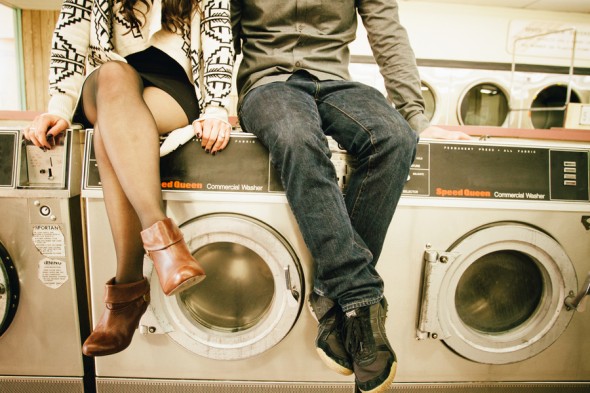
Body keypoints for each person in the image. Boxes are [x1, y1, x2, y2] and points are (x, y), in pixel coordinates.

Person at [231, 1, 470, 392]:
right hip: (267, 84)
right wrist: (209, 105)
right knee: (295, 137)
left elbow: (387, 32)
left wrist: (415, 115)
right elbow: (221, 32)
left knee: (394, 138)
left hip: (334, 81)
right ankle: (360, 300)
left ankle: (329, 294)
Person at [24, 0, 234, 357]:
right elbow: (70, 35)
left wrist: (216, 106)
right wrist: (58, 108)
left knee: (112, 133)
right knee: (113, 76)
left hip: (170, 85)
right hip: (104, 81)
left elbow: (218, 40)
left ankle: (128, 288)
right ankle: (163, 244)